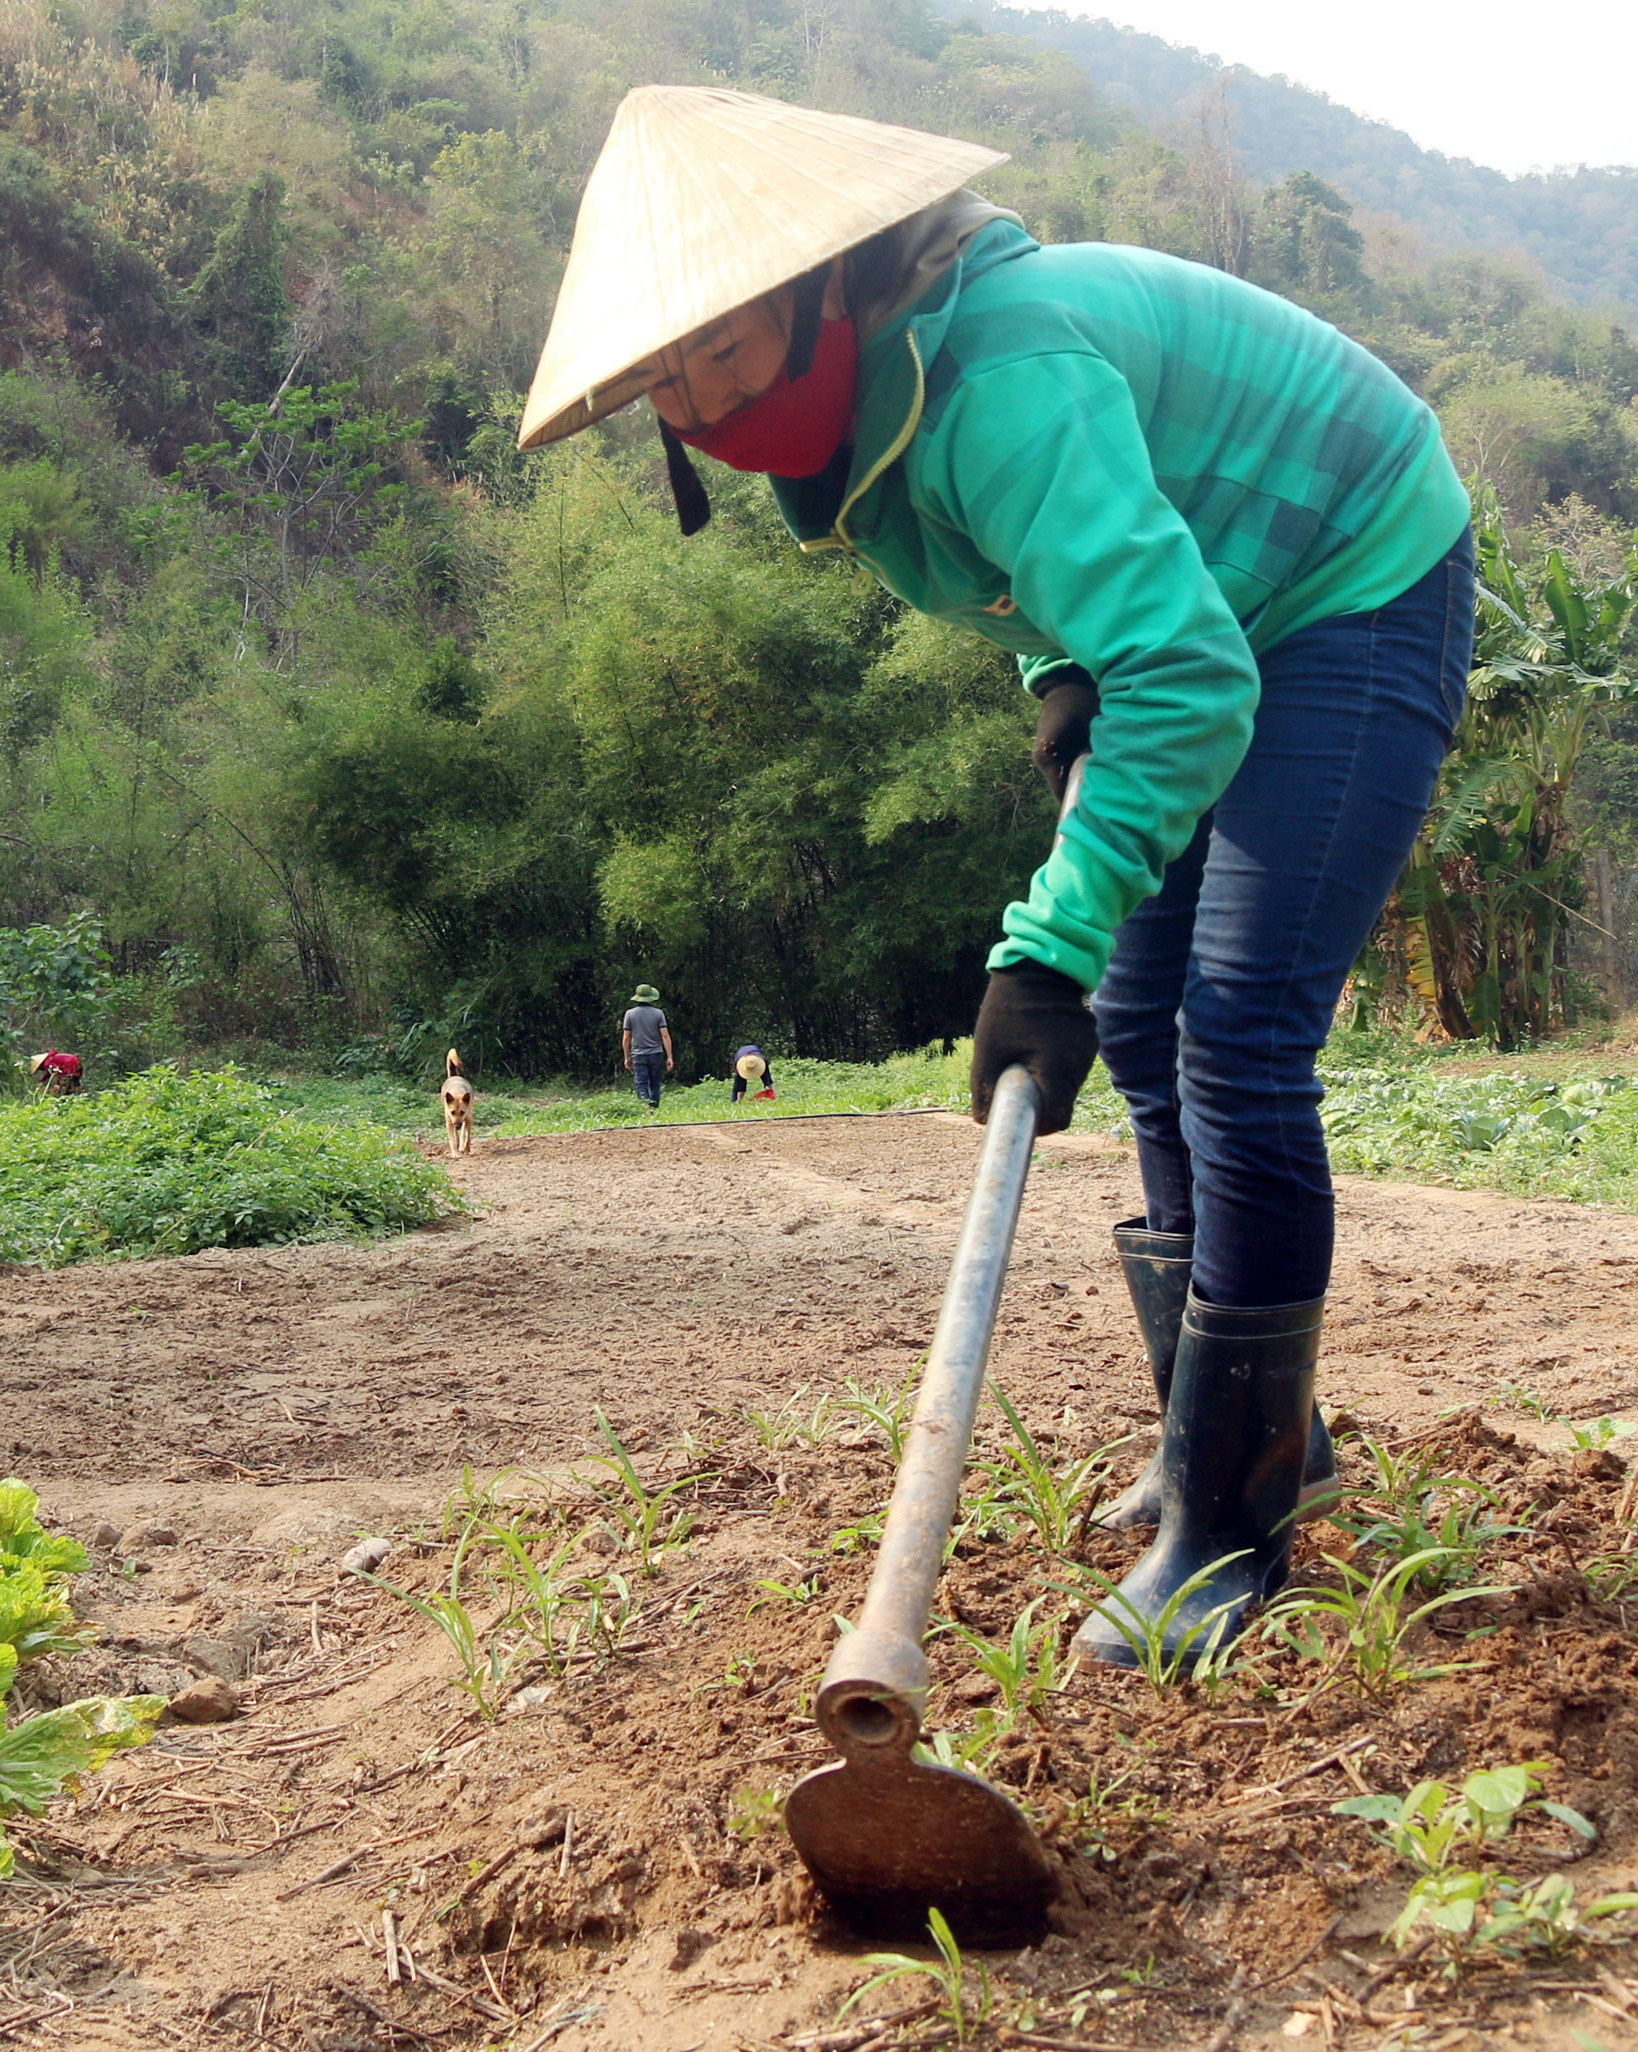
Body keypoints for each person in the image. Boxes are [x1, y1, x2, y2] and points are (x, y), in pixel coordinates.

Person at [520, 88, 1473, 1666]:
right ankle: (1245, 1437)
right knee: (1155, 1025)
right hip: (1207, 606)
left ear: (828, 286)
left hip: (1347, 567)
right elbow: (1075, 582)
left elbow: (1184, 666)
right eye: (669, 381)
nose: (705, 400)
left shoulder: (996, 376)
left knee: (1233, 1030)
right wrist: (1061, 665)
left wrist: (1045, 946)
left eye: (730, 349)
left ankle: (1228, 1535)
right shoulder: (872, 422)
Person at [620, 985, 674, 1109]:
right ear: (651, 998)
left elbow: (626, 1037)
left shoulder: (629, 1014)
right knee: (655, 1083)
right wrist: (669, 1056)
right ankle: (654, 1108)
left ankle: (645, 1109)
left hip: (638, 1054)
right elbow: (665, 1035)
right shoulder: (658, 1014)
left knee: (641, 1083)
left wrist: (626, 1057)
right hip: (656, 1053)